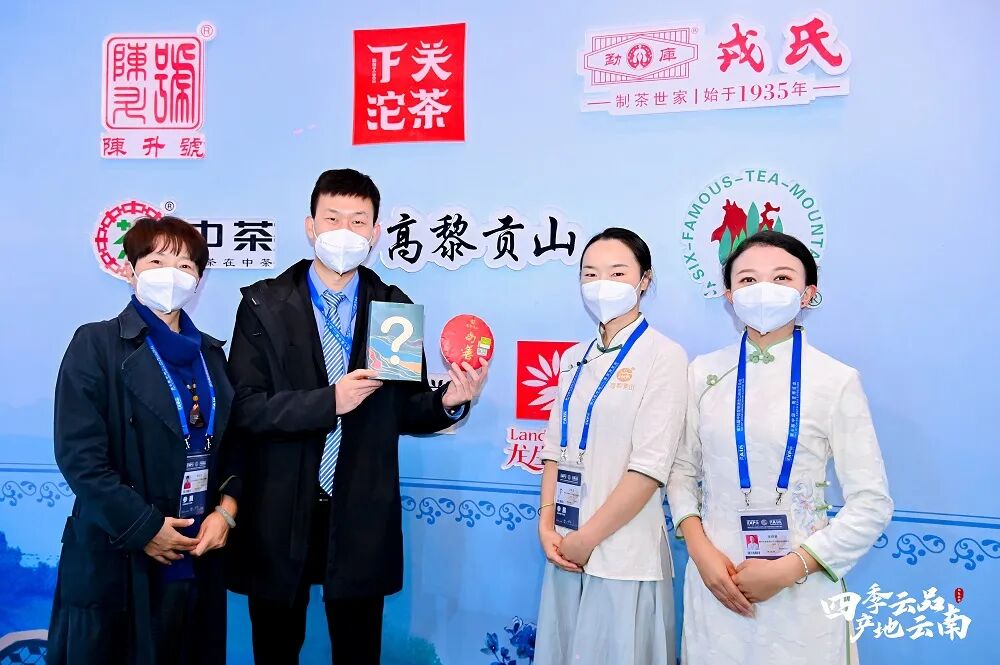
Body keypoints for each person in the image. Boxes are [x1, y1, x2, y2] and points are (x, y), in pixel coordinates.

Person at [226, 168, 489, 664]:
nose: (344, 232)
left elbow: (407, 409)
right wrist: (330, 401)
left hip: (359, 511)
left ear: (375, 232)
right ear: (310, 226)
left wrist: (448, 400)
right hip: (279, 509)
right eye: (332, 218)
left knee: (358, 649)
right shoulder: (264, 305)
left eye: (357, 221)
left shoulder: (393, 309)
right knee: (275, 648)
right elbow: (245, 407)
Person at [667, 230, 893, 665]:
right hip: (718, 583)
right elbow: (681, 471)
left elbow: (872, 503)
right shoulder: (703, 373)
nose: (764, 289)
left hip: (802, 591)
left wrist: (789, 569)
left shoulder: (835, 380)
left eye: (782, 277)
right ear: (729, 295)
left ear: (808, 293)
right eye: (748, 279)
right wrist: (701, 551)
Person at [48, 216, 240, 664]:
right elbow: (79, 457)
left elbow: (234, 444)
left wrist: (226, 513)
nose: (172, 274)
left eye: (186, 265)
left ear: (198, 280)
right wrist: (145, 528)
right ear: (131, 270)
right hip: (120, 548)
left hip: (196, 546)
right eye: (156, 261)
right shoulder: (96, 344)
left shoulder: (212, 355)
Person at [534, 228, 688, 665]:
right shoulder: (573, 358)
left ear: (644, 280)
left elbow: (650, 468)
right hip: (564, 548)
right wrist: (548, 526)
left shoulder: (664, 355)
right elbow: (554, 450)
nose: (602, 284)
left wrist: (587, 539)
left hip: (624, 554)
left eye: (618, 272)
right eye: (591, 273)